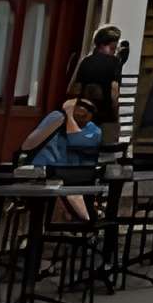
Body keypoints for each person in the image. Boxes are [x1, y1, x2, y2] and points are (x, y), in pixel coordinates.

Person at [19, 91, 102, 221]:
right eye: (80, 104)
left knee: (77, 185)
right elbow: (28, 144)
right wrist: (60, 119)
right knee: (70, 186)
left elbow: (75, 139)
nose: (83, 110)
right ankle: (88, 219)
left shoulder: (94, 131)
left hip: (75, 175)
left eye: (90, 109)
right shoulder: (57, 117)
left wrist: (69, 115)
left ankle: (89, 219)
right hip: (48, 170)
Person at [71, 27, 123, 129]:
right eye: (112, 48)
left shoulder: (86, 61)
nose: (114, 52)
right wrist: (116, 115)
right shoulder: (114, 62)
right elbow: (114, 91)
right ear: (102, 45)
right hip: (105, 115)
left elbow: (76, 89)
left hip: (84, 115)